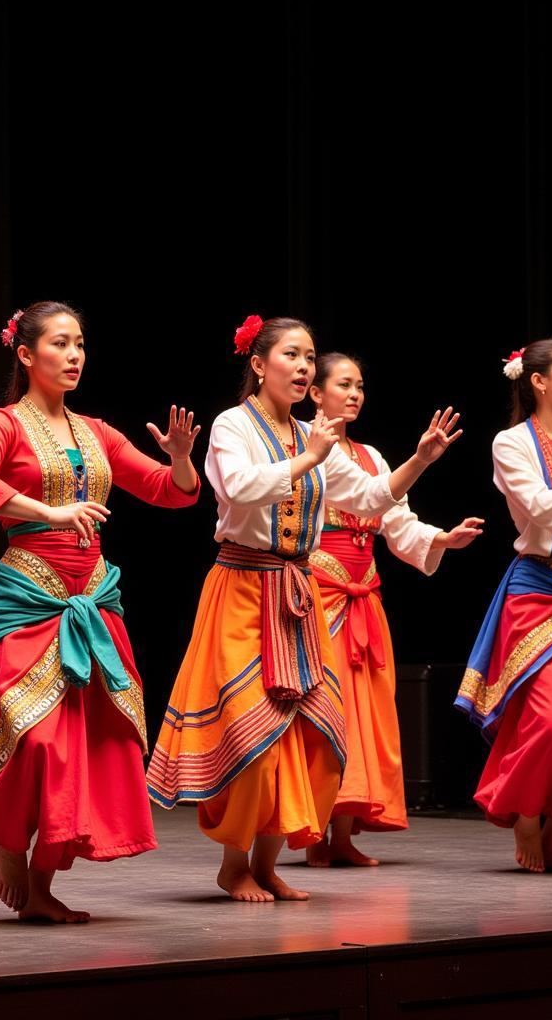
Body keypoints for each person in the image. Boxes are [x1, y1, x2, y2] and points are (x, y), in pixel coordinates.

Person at [147, 316, 462, 902]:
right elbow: (239, 488)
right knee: (253, 733)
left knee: (315, 738)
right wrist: (309, 456)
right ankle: (233, 863)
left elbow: (368, 498)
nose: (303, 367)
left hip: (298, 593)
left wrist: (419, 460)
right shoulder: (231, 426)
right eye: (292, 355)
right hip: (243, 585)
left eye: (310, 357)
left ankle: (268, 862)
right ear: (260, 365)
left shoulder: (310, 435)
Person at [0, 301, 200, 923]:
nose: (74, 356)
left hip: (91, 599)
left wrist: (177, 459)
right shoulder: (4, 424)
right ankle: (5, 839)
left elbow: (168, 492)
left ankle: (41, 882)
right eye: (61, 344)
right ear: (25, 353)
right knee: (36, 740)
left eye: (81, 345)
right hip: (26, 596)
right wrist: (50, 512)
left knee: (89, 745)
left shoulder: (96, 431)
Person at [304, 352, 482, 866]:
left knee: (364, 717)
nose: (356, 393)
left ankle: (341, 834)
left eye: (360, 385)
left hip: (364, 595)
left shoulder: (372, 457)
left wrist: (441, 538)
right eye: (344, 384)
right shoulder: (301, 449)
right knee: (325, 712)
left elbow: (397, 521)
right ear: (316, 394)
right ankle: (310, 831)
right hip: (319, 594)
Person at [457, 340, 552, 873]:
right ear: (539, 381)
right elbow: (544, 509)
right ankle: (523, 814)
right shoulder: (511, 443)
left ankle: (551, 837)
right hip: (542, 589)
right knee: (551, 716)